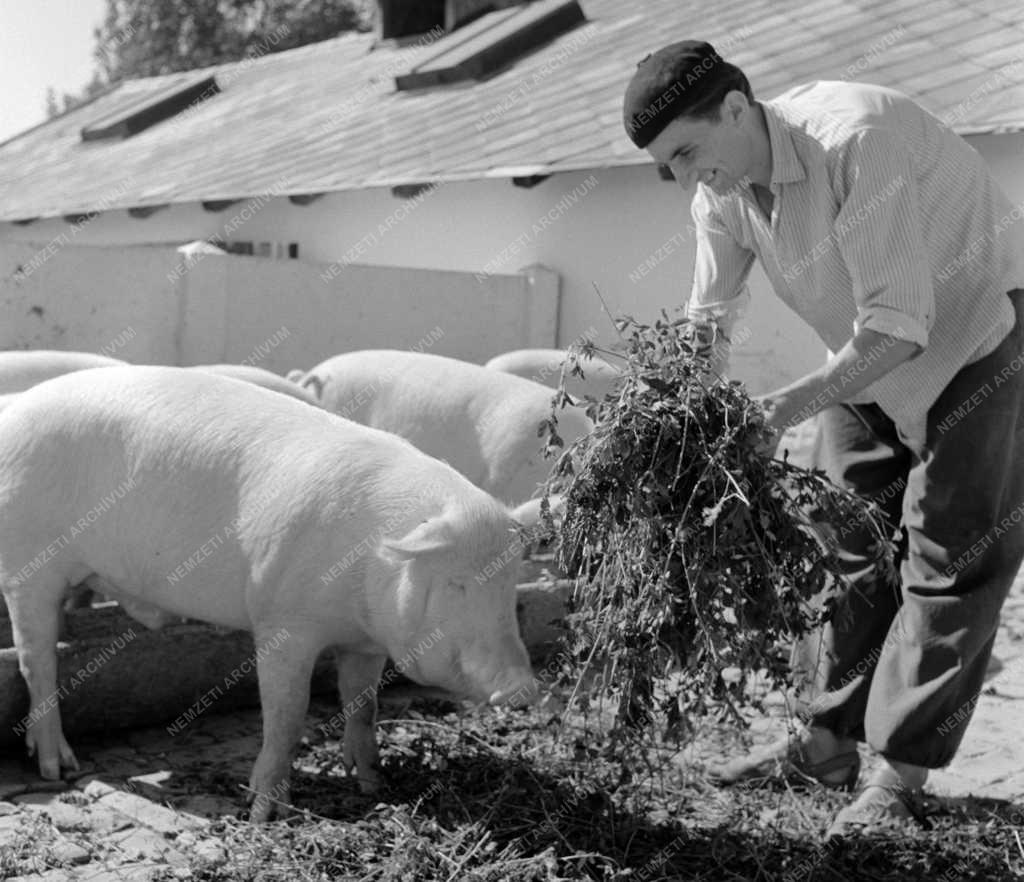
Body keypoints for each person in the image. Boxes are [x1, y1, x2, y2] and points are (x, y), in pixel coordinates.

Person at [622, 39, 1024, 837]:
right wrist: (679, 422)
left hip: (975, 341)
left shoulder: (853, 141)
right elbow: (706, 324)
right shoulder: (720, 188)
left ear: (737, 109)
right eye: (669, 165)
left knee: (950, 558)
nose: (685, 177)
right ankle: (825, 743)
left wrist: (777, 410)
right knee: (845, 541)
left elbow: (902, 325)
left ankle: (898, 774)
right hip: (865, 356)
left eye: (688, 152)